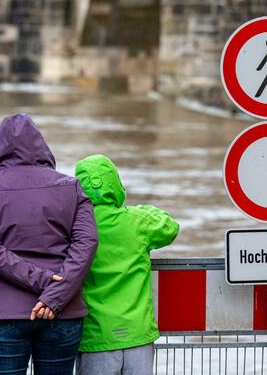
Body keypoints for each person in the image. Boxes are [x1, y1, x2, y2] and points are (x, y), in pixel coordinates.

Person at [0, 113, 98, 375]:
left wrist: (43, 281)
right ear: (41, 145)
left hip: (4, 313)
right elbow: (86, 243)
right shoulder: (71, 187)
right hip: (63, 312)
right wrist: (55, 294)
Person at [74, 155, 179, 375]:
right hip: (137, 335)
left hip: (96, 337)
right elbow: (169, 226)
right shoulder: (137, 221)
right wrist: (138, 209)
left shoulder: (74, 225)